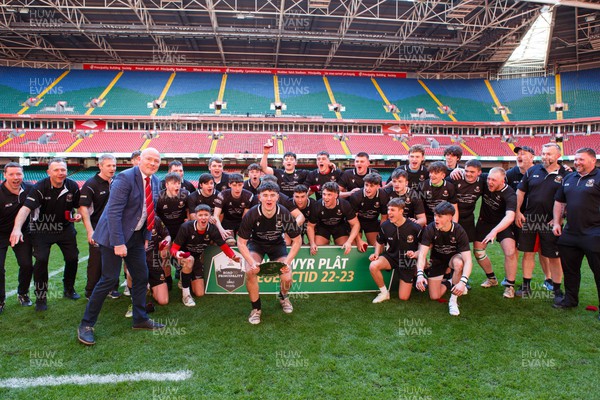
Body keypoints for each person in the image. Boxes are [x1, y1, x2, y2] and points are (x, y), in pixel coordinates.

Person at [77, 148, 165, 346]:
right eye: (149, 159)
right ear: (139, 160)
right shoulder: (124, 178)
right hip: (113, 236)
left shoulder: (156, 181)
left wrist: (146, 235)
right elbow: (114, 212)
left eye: (157, 161)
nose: (153, 163)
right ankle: (86, 324)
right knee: (109, 279)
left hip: (135, 236)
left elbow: (150, 212)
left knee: (141, 276)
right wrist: (118, 242)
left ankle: (140, 318)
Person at [10, 158, 81, 311]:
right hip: (42, 228)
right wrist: (17, 228)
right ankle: (41, 297)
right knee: (41, 260)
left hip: (65, 228)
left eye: (63, 170)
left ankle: (69, 289)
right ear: (48, 172)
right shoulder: (40, 187)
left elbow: (80, 206)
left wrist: (80, 214)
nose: (60, 173)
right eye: (56, 170)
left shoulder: (72, 186)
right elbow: (25, 209)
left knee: (73, 258)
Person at [236, 182, 302, 325]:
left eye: (272, 195)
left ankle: (283, 297)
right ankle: (256, 309)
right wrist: (252, 262)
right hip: (257, 245)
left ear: (278, 197)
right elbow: (241, 242)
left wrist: (288, 261)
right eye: (265, 195)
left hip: (277, 245)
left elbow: (297, 240)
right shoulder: (251, 214)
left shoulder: (284, 213)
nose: (269, 199)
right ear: (259, 197)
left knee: (287, 277)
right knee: (250, 271)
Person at [552, 148, 600, 320]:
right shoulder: (569, 178)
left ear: (593, 161)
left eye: (581, 159)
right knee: (570, 270)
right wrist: (557, 222)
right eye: (576, 159)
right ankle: (570, 300)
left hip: (594, 233)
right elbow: (559, 201)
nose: (577, 162)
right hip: (571, 233)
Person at [515, 143, 567, 300]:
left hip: (551, 221)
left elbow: (569, 197)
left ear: (558, 156)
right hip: (531, 218)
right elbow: (520, 192)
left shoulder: (566, 173)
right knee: (528, 253)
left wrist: (559, 217)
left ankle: (557, 290)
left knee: (554, 256)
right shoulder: (532, 170)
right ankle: (526, 286)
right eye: (543, 153)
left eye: (549, 154)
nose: (545, 156)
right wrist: (517, 211)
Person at [171, 204, 239, 307]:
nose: (203, 218)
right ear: (196, 216)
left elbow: (223, 246)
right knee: (189, 260)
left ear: (210, 216)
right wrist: (177, 253)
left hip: (197, 259)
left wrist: (233, 256)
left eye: (206, 215)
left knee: (199, 293)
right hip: (182, 258)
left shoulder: (212, 229)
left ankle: (186, 277)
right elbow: (173, 248)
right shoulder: (186, 227)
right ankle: (186, 295)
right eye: (200, 215)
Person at [507, 145, 553, 290]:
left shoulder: (543, 171)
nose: (519, 156)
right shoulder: (510, 174)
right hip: (518, 217)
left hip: (542, 217)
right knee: (520, 249)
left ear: (532, 157)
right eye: (518, 154)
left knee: (543, 250)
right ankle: (511, 277)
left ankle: (549, 279)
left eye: (523, 153)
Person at [415, 201, 472, 316]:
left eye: (440, 216)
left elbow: (468, 260)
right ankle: (450, 282)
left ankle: (453, 301)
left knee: (459, 263)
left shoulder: (459, 230)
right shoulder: (430, 228)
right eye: (435, 215)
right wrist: (420, 274)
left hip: (453, 258)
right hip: (437, 260)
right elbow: (422, 254)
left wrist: (463, 281)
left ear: (450, 217)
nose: (436, 219)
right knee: (434, 296)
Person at [79, 154, 120, 300]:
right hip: (97, 227)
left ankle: (112, 288)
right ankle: (90, 291)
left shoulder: (117, 181)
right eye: (108, 165)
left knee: (114, 258)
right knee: (96, 260)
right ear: (100, 166)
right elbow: (83, 209)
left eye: (114, 165)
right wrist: (90, 231)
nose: (112, 168)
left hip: (115, 227)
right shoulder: (91, 184)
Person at [474, 167, 518, 298]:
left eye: (493, 180)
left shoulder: (510, 194)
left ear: (502, 180)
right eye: (488, 179)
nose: (489, 182)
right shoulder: (485, 181)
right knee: (478, 252)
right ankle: (492, 278)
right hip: (484, 222)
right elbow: (472, 172)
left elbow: (510, 216)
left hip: (503, 224)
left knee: (510, 252)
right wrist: (456, 170)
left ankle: (510, 286)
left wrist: (495, 231)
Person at [369, 198, 421, 303]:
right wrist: (376, 253)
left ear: (401, 211)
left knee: (403, 297)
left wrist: (415, 254)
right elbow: (380, 241)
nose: (389, 213)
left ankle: (415, 275)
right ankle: (384, 293)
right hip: (391, 257)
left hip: (407, 260)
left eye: (392, 210)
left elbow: (424, 247)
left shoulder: (415, 227)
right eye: (388, 210)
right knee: (373, 265)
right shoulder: (385, 225)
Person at [0, 162, 34, 312]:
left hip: (22, 232)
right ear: (5, 175)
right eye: (12, 174)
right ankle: (0, 300)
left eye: (18, 174)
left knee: (27, 264)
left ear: (23, 175)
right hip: (0, 234)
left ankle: (23, 293)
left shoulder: (29, 188)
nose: (15, 177)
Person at [307, 182, 361, 256]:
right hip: (323, 227)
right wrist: (312, 243)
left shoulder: (344, 205)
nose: (325, 197)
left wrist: (349, 241)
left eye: (329, 195)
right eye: (324, 194)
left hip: (339, 226)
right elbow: (310, 226)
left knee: (349, 246)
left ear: (336, 195)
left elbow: (355, 224)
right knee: (316, 247)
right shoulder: (317, 206)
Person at [348, 173, 389, 250]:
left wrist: (381, 236)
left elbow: (384, 218)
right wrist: (359, 240)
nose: (367, 188)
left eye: (371, 186)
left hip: (372, 222)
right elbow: (353, 221)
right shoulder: (356, 196)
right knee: (355, 246)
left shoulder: (383, 196)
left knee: (378, 246)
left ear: (378, 186)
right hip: (357, 222)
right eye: (366, 185)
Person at [213, 173, 254, 242]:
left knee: (244, 241)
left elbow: (245, 217)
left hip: (241, 222)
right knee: (229, 242)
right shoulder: (222, 195)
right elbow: (216, 215)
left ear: (243, 184)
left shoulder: (249, 196)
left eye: (240, 185)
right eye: (234, 185)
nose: (237, 188)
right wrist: (221, 230)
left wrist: (243, 230)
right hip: (227, 221)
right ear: (229, 185)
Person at [452, 159, 485, 243]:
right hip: (451, 216)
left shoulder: (483, 182)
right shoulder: (455, 178)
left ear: (479, 172)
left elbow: (496, 175)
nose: (468, 174)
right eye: (466, 171)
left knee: (465, 245)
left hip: (468, 218)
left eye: (472, 172)